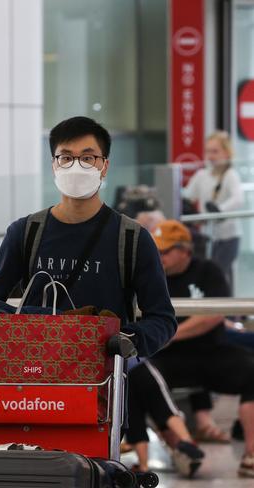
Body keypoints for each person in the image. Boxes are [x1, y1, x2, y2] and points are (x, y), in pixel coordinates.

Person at [0, 116, 177, 359]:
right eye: (67, 157)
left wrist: (124, 341)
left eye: (88, 158)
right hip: (35, 371)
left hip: (104, 374)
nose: (76, 166)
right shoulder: (26, 232)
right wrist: (43, 322)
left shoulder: (132, 238)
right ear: (54, 166)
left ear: (104, 166)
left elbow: (162, 318)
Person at [149, 219, 254, 478]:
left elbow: (213, 315)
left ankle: (251, 452)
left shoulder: (208, 271)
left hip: (211, 354)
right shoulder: (149, 276)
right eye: (156, 251)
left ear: (185, 250)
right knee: (141, 378)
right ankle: (183, 450)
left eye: (165, 251)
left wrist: (170, 334)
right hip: (167, 359)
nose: (159, 257)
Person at [184, 131, 244, 290]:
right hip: (208, 235)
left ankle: (226, 312)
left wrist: (218, 211)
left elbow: (238, 198)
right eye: (208, 151)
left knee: (219, 274)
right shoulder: (201, 175)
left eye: (215, 151)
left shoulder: (231, 175)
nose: (210, 156)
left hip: (228, 236)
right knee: (212, 274)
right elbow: (188, 195)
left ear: (226, 152)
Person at [125, 361, 205, 477]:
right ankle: (187, 443)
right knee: (164, 407)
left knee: (133, 420)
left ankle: (143, 467)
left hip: (119, 372)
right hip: (138, 365)